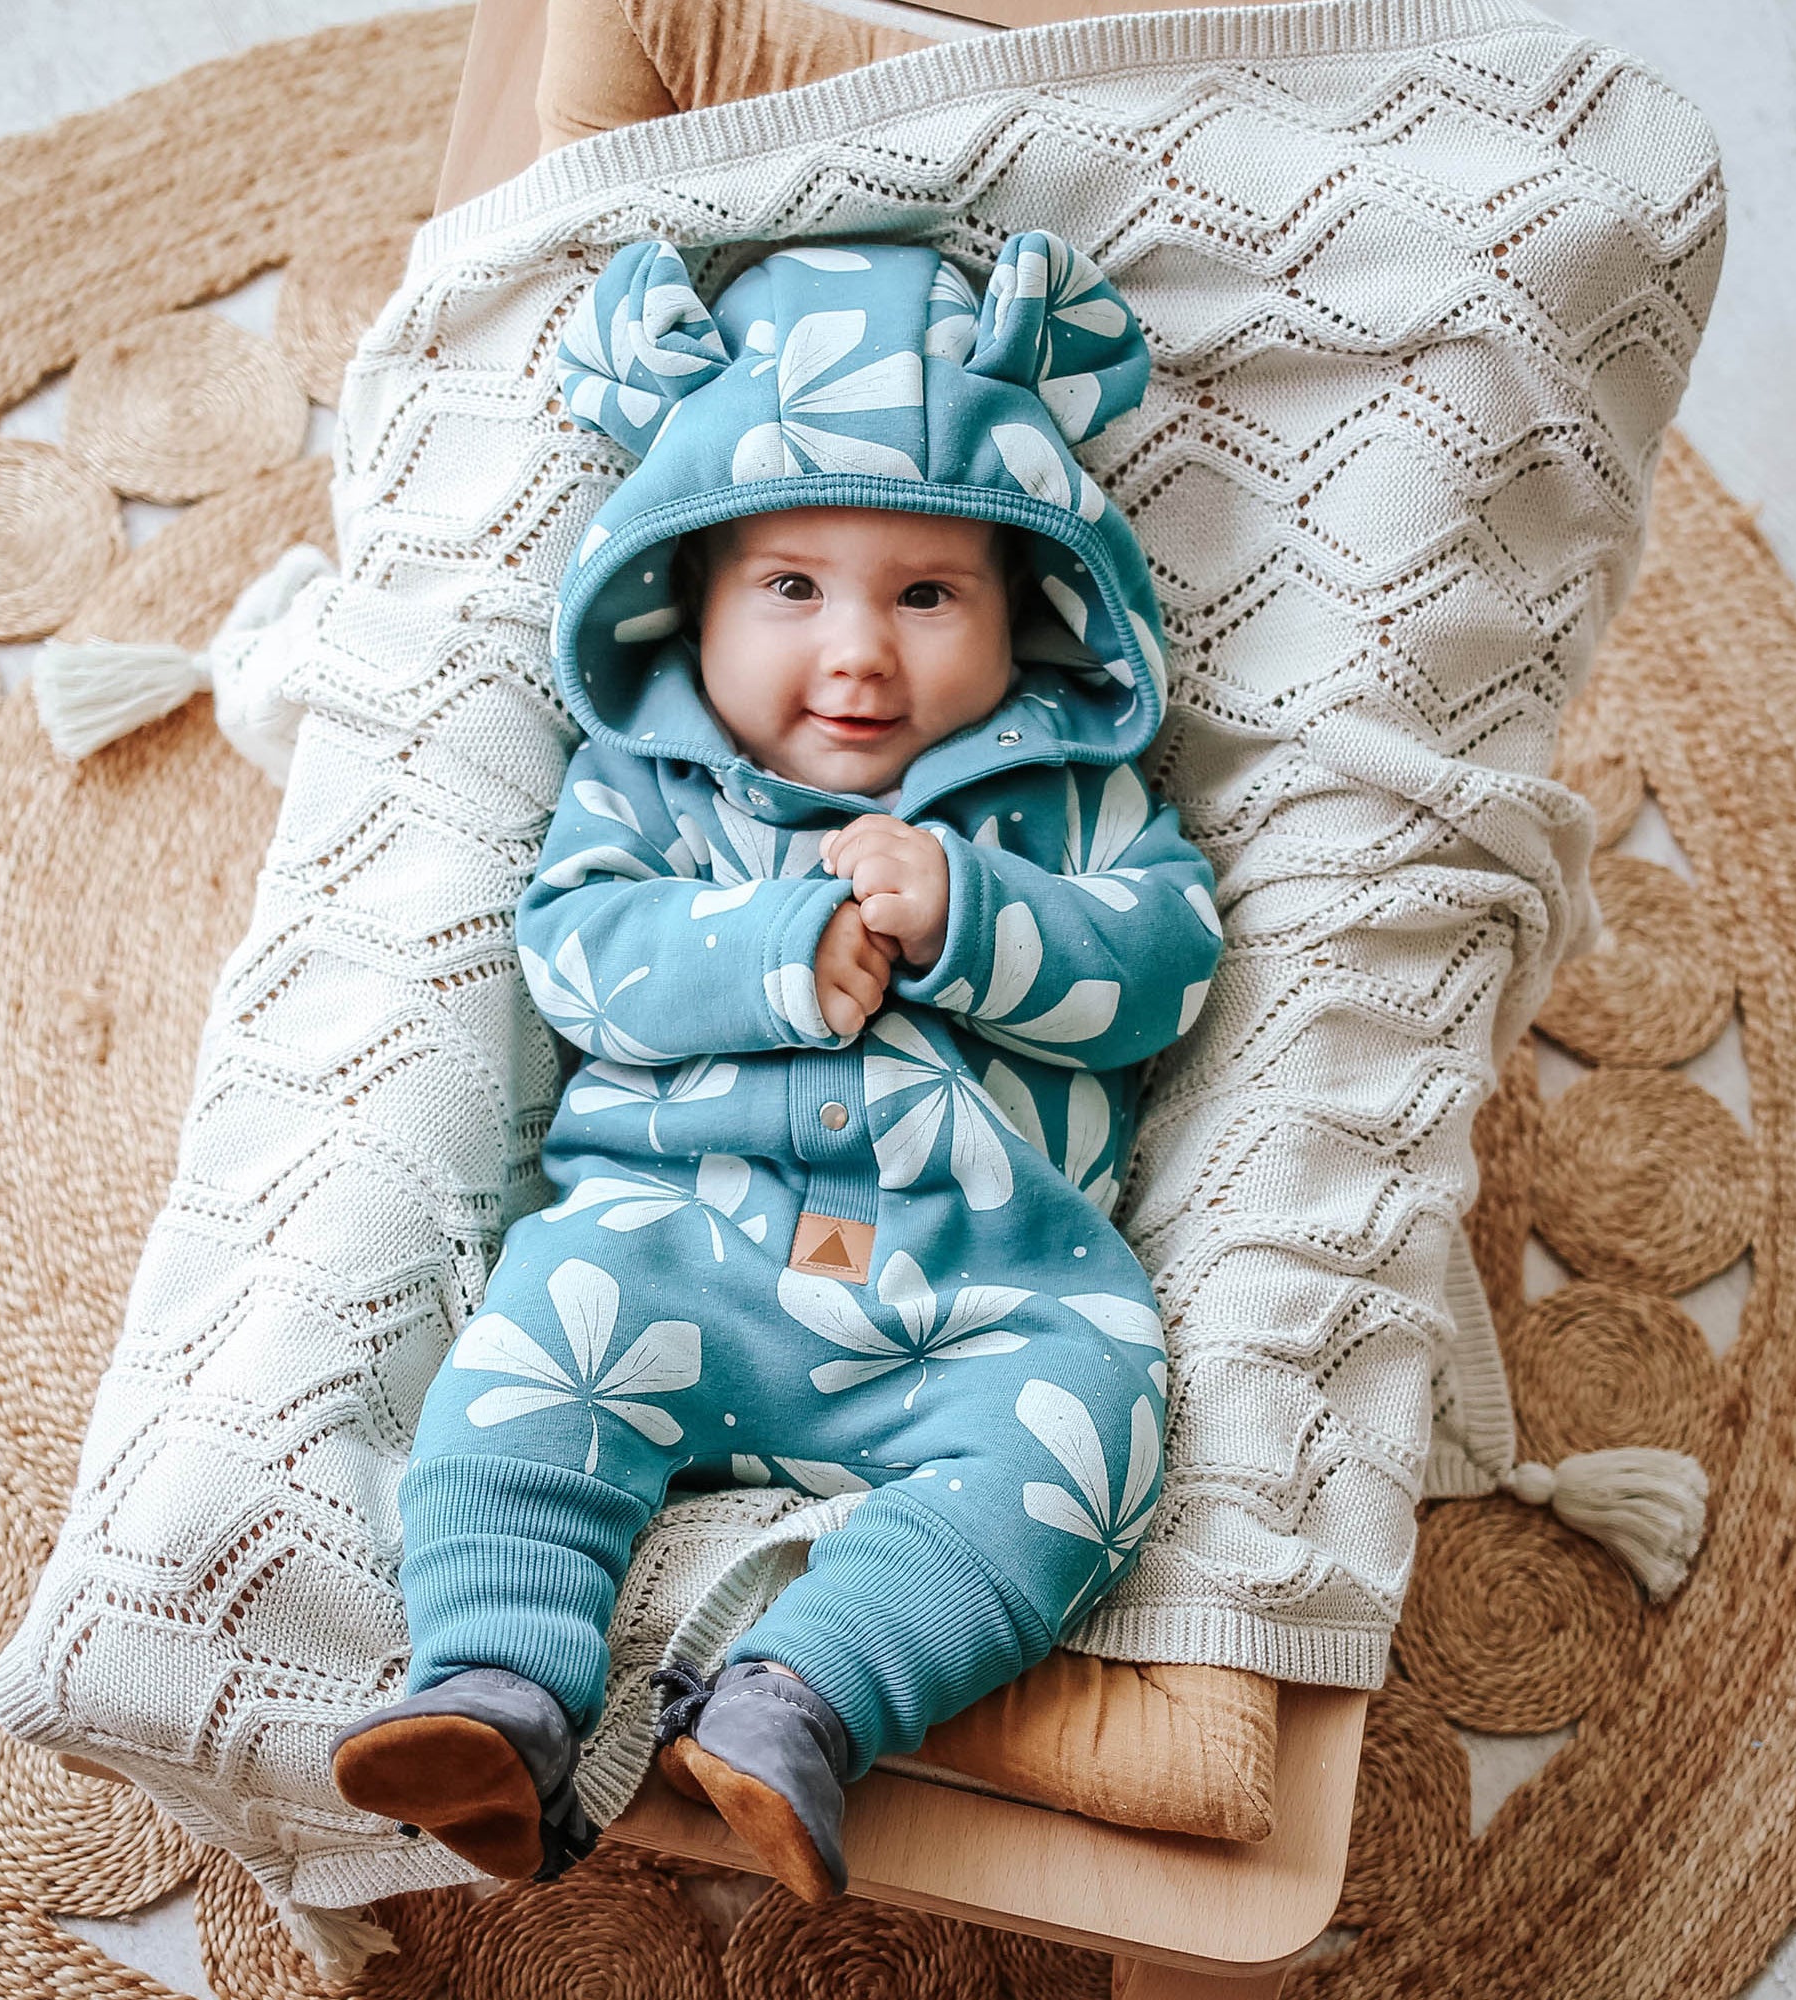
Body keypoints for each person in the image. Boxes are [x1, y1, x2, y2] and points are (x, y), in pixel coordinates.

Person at [328, 231, 1224, 1904]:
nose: (860, 653)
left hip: (983, 1293)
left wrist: (977, 911)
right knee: (526, 1357)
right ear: (692, 599)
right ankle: (494, 1687)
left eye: (927, 593)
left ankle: (802, 1700)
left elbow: (1162, 972)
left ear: (1031, 608)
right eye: (793, 589)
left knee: (1101, 1436)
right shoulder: (654, 788)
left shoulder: (1067, 804)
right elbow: (576, 959)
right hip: (677, 1253)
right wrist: (760, 947)